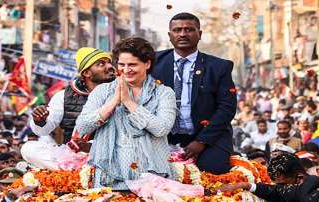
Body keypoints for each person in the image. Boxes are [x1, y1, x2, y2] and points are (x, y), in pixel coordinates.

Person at [75, 37, 177, 190]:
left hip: (152, 177)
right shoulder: (103, 91)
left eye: (132, 64)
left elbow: (161, 128)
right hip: (108, 177)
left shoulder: (164, 93)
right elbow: (82, 127)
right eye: (121, 64)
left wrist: (129, 102)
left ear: (147, 64)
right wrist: (113, 102)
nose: (126, 70)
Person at [152, 12, 237, 174]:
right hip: (163, 136)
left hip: (209, 136)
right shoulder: (153, 63)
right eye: (177, 30)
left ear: (199, 34)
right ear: (170, 35)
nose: (183, 34)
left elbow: (227, 108)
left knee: (213, 174)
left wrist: (202, 141)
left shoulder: (219, 67)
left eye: (189, 29)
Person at [30, 47, 116, 144]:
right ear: (86, 73)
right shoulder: (63, 96)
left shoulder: (122, 92)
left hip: (111, 152)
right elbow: (43, 131)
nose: (109, 66)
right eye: (101, 64)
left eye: (109, 62)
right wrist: (40, 120)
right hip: (75, 154)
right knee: (29, 148)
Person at [216, 153, 319, 201]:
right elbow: (275, 190)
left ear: (299, 178)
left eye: (283, 184)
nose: (278, 187)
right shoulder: (301, 188)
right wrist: (246, 185)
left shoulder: (310, 192)